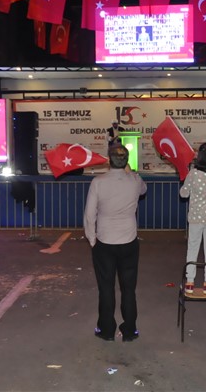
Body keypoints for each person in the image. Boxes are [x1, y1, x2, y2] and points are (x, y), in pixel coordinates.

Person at [84, 144, 147, 342]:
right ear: (126, 161)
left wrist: (92, 238)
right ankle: (129, 330)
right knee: (128, 288)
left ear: (109, 160)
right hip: (129, 240)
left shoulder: (98, 182)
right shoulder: (135, 180)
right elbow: (144, 190)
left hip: (104, 241)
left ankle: (106, 330)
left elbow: (89, 214)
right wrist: (130, 172)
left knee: (106, 287)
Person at [179, 142, 206, 296]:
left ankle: (190, 282)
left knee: (193, 248)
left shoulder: (193, 173)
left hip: (196, 217)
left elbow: (184, 194)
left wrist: (184, 179)